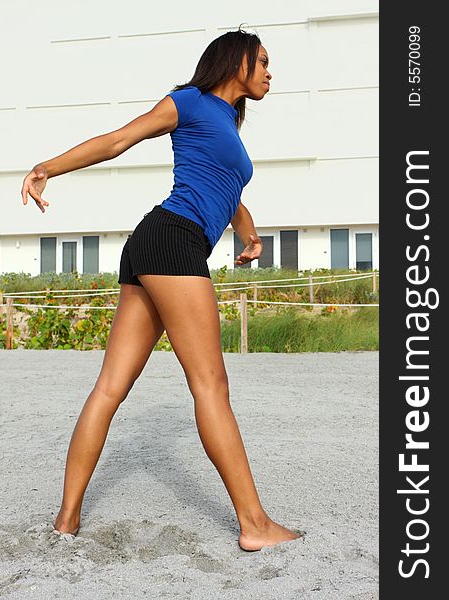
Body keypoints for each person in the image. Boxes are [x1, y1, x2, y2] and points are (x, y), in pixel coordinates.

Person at [20, 27, 302, 552]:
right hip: (174, 242)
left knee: (110, 388)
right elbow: (118, 139)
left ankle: (66, 520)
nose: (269, 72)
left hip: (156, 244)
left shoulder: (226, 126)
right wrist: (46, 169)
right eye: (262, 61)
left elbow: (226, 189)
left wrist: (249, 231)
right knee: (210, 386)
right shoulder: (189, 102)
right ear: (234, 62)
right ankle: (254, 524)